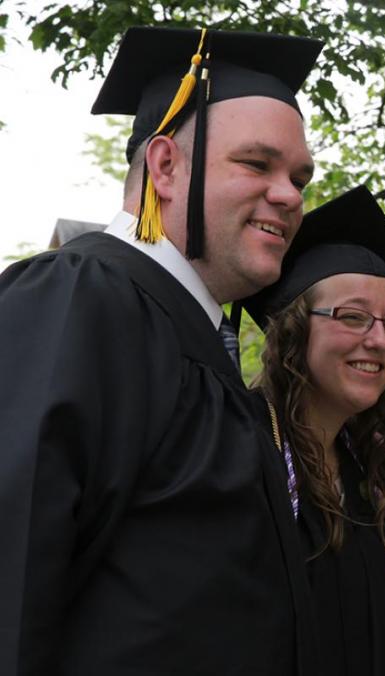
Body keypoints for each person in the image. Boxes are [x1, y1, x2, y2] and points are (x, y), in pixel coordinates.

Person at [0, 26, 323, 674]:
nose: (290, 195)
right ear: (164, 167)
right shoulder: (82, 297)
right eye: (257, 164)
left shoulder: (192, 336)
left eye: (299, 175)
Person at [239, 186, 385, 676]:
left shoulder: (377, 475)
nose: (379, 340)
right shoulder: (236, 449)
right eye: (353, 317)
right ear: (294, 329)